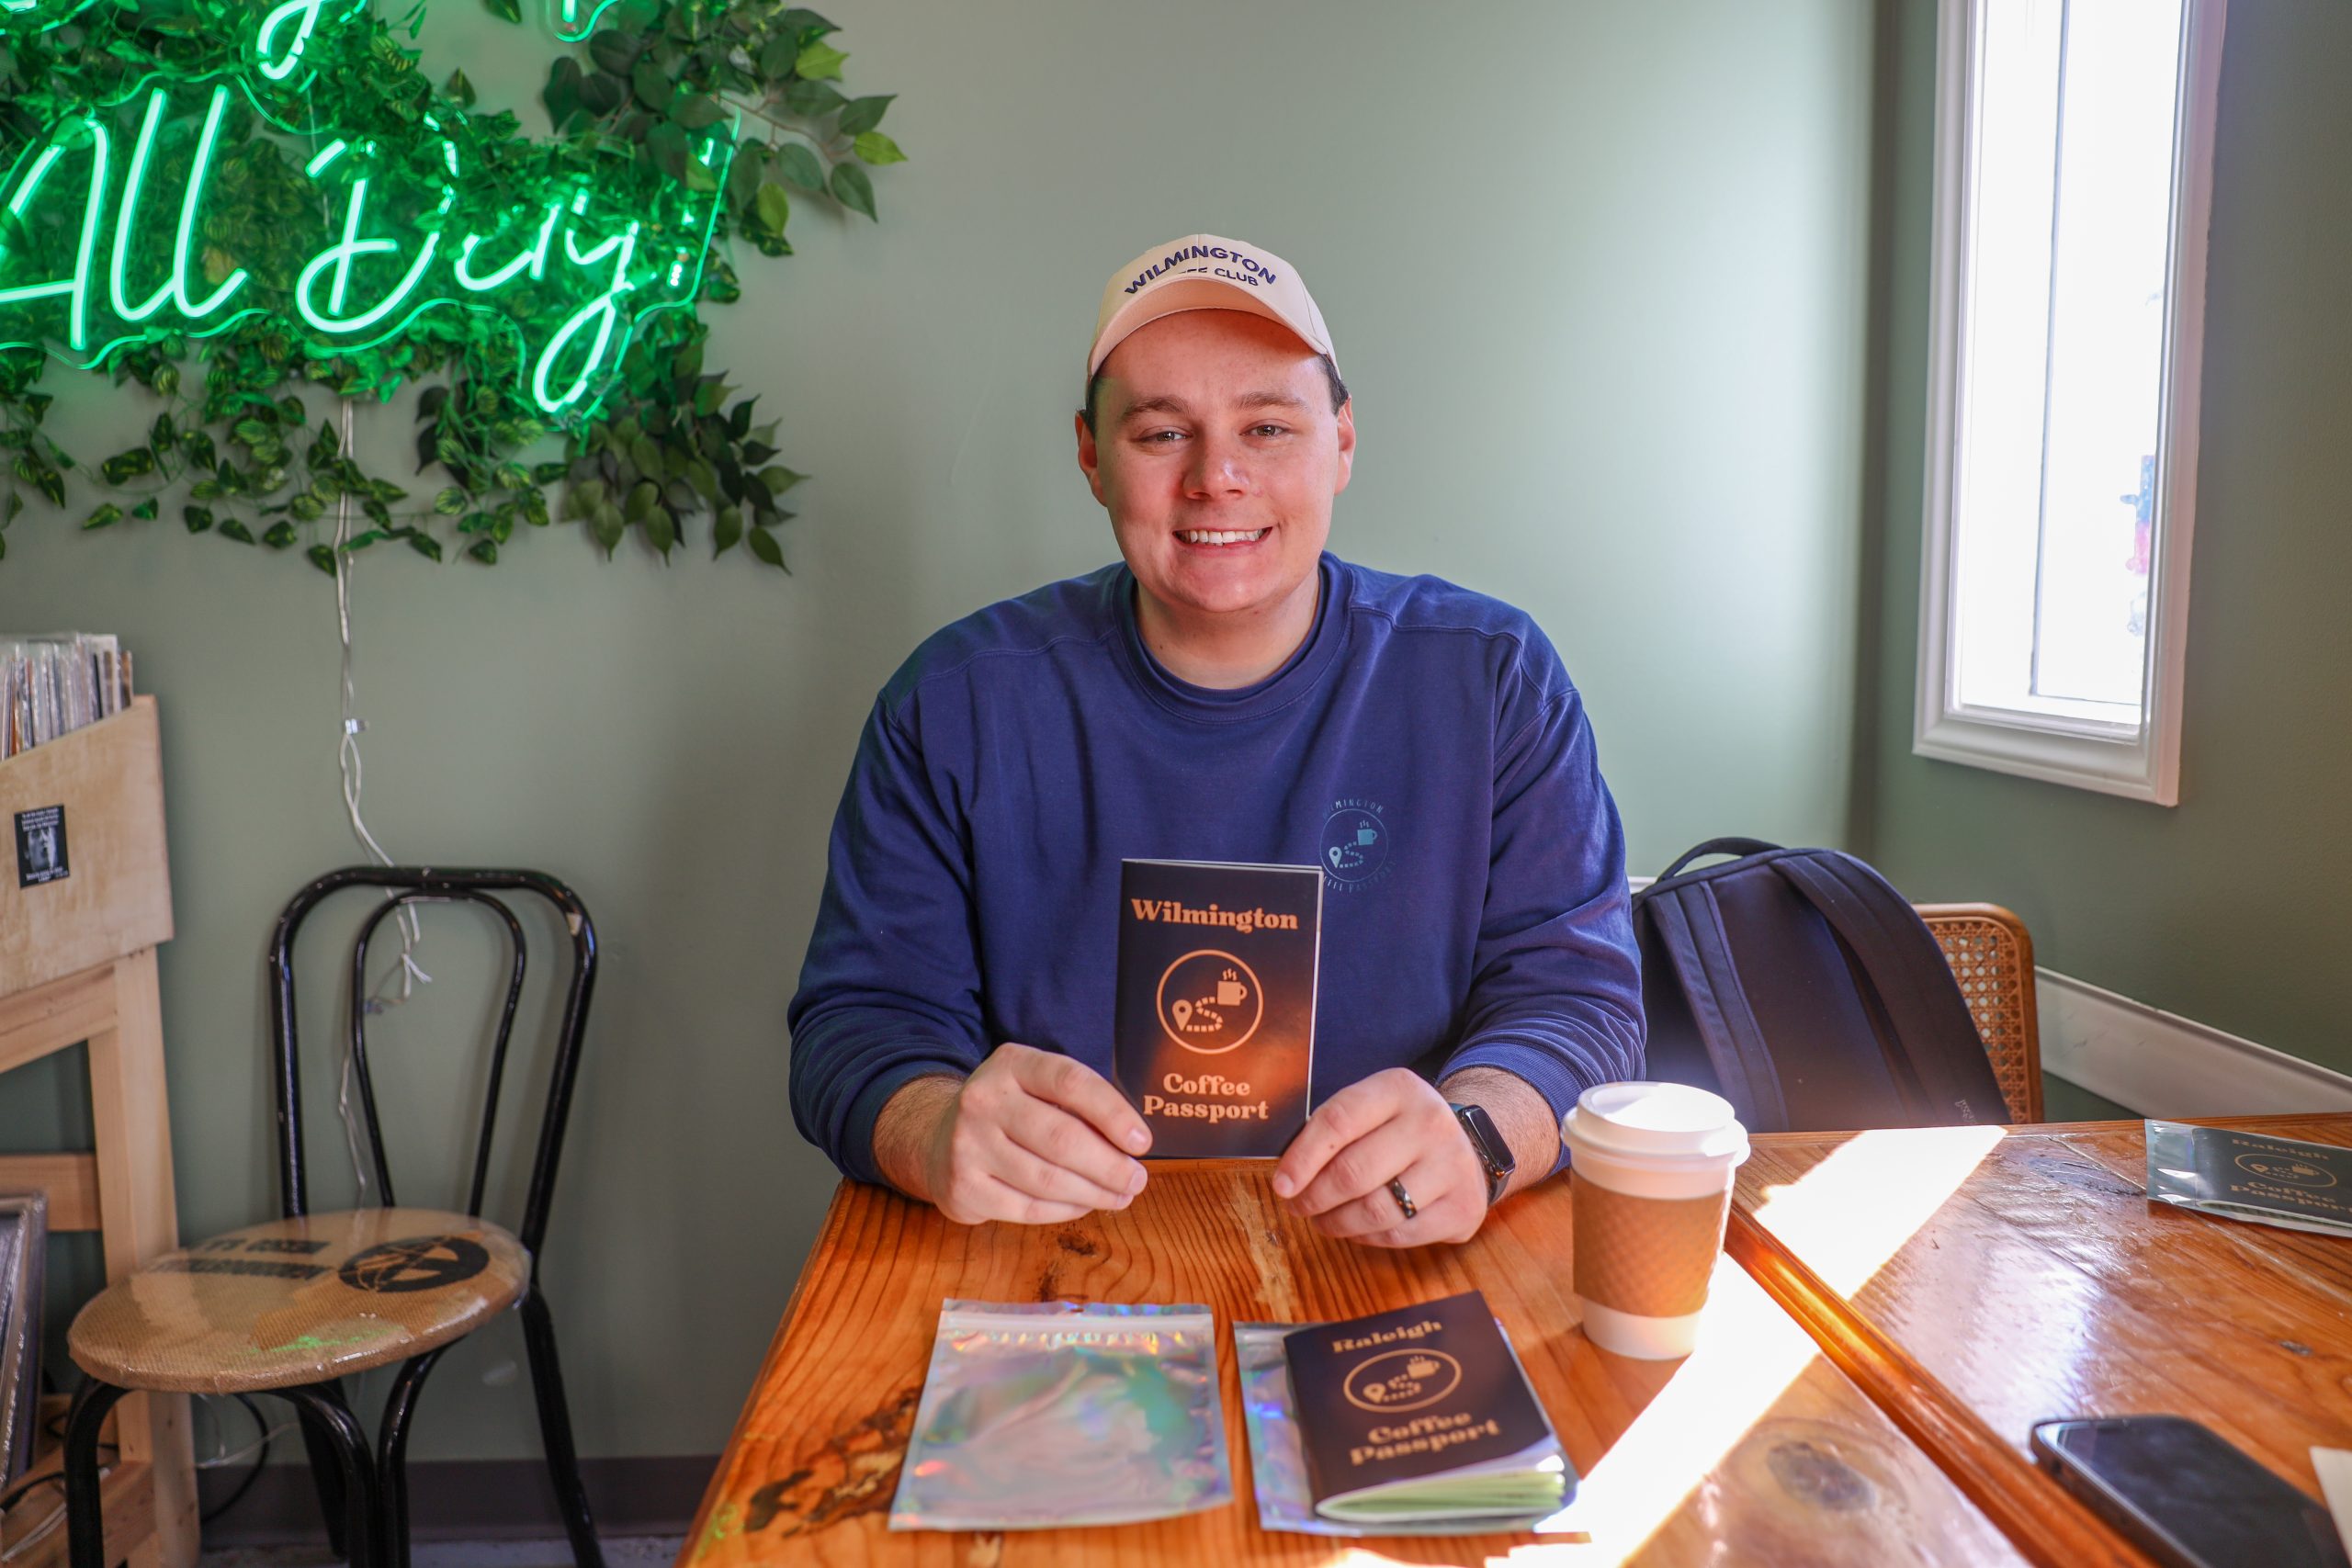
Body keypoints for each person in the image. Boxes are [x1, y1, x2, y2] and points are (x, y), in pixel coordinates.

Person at [788, 233, 1642, 1247]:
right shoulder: (953, 703)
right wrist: (933, 1131)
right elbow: (857, 1025)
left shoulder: (1490, 677)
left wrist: (1480, 1134)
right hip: (1059, 1266)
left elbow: (1578, 999)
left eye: (1269, 427)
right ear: (1089, 457)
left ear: (1344, 442)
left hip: (1402, 1250)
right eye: (1160, 434)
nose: (1216, 477)